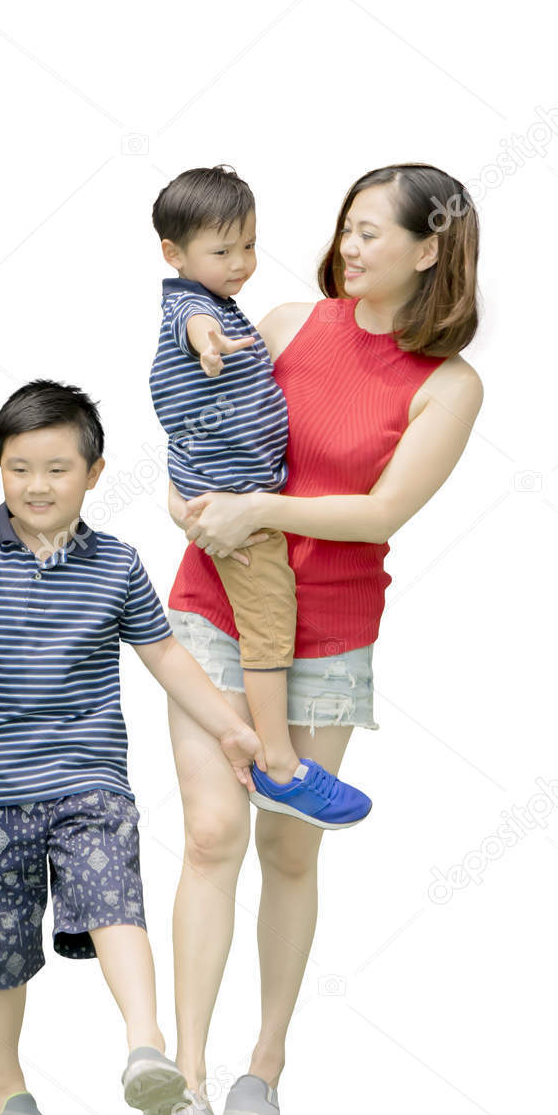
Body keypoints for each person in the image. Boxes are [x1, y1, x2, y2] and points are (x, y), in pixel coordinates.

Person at [159, 163, 483, 1115]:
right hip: (213, 606)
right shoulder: (292, 320)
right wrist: (188, 497)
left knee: (285, 844)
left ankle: (264, 1059)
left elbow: (381, 509)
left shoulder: (448, 385)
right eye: (345, 226)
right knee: (212, 831)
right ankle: (183, 1073)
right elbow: (201, 414)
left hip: (331, 631)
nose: (349, 244)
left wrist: (260, 507)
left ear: (429, 249)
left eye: (372, 232)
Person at [0, 381, 264, 1115]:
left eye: (58, 469)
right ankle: (3, 1090)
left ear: (94, 474)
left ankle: (147, 1048)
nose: (38, 486)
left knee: (113, 900)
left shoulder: (118, 566)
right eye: (19, 468)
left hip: (87, 780)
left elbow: (165, 655)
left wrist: (233, 730)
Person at [151, 164, 372, 830]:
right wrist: (208, 345)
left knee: (268, 616)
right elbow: (192, 324)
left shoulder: (220, 300)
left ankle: (275, 758)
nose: (241, 262)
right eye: (222, 251)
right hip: (232, 505)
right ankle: (279, 765)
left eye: (248, 245)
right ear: (175, 255)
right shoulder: (191, 306)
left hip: (231, 493)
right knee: (271, 618)